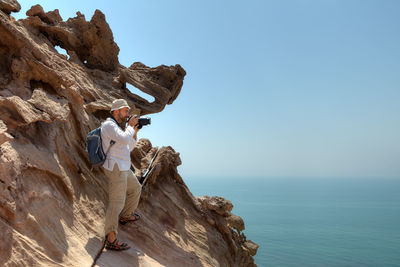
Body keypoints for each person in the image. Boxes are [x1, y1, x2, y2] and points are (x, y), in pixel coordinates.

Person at [100, 99, 142, 251]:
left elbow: (128, 146)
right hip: (115, 167)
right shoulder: (109, 125)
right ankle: (111, 239)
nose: (128, 114)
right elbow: (124, 138)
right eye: (125, 111)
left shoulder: (119, 128)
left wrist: (134, 133)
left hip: (123, 167)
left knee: (136, 189)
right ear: (116, 111)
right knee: (116, 202)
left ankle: (126, 215)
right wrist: (130, 127)